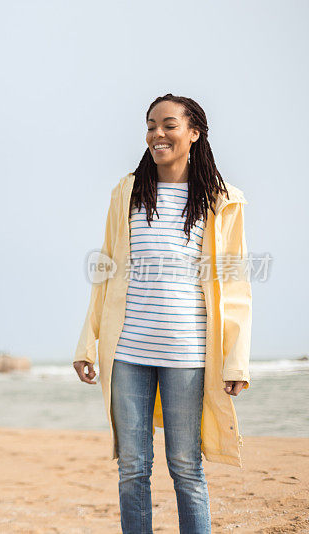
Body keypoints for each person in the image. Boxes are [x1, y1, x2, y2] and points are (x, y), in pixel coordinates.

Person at [73, 94, 252, 533]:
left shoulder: (221, 200)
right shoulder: (128, 191)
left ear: (194, 133)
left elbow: (233, 284)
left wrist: (236, 359)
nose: (157, 134)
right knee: (133, 468)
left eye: (169, 125)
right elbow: (107, 270)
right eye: (151, 125)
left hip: (188, 356)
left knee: (186, 467)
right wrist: (87, 343)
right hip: (128, 352)